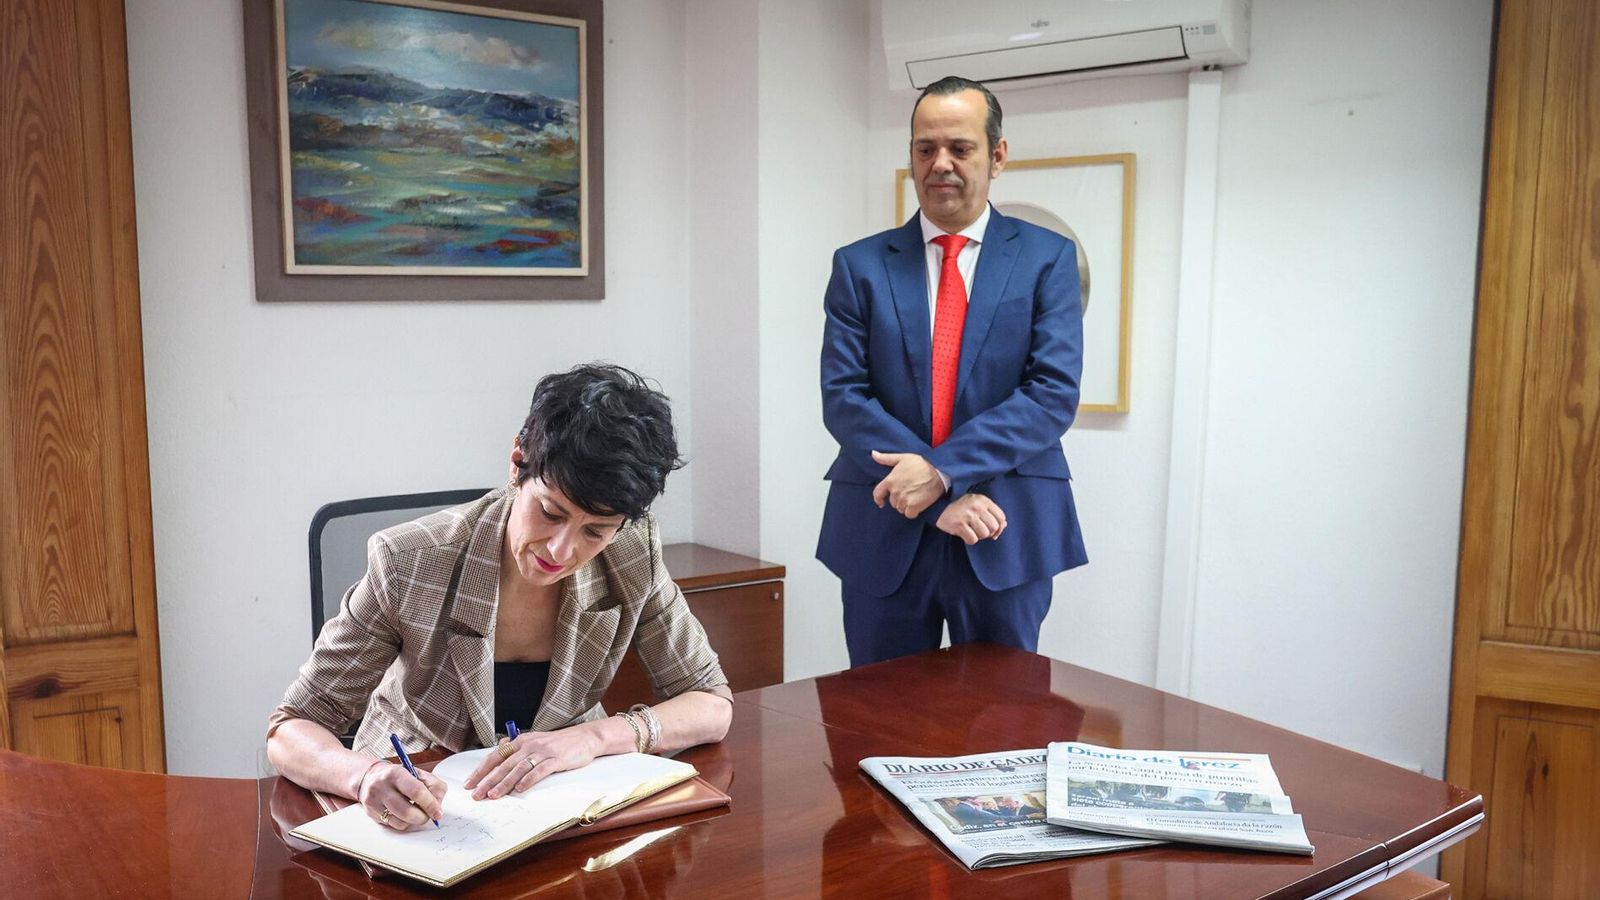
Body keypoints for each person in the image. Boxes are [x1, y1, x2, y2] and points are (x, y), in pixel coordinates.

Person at [267, 364, 733, 831]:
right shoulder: (409, 562)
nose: (561, 550)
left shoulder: (633, 556)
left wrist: (596, 737)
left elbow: (711, 704)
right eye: (550, 512)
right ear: (517, 463)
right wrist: (364, 775)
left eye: (595, 531)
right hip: (421, 803)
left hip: (561, 804)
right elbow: (290, 728)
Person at [818, 74, 1086, 667]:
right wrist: (935, 499)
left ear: (997, 155)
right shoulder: (859, 267)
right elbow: (844, 398)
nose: (940, 164)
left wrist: (940, 472)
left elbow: (1050, 396)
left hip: (1002, 527)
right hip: (882, 529)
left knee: (1003, 726)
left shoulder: (1048, 260)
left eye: (960, 148)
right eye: (924, 148)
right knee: (876, 724)